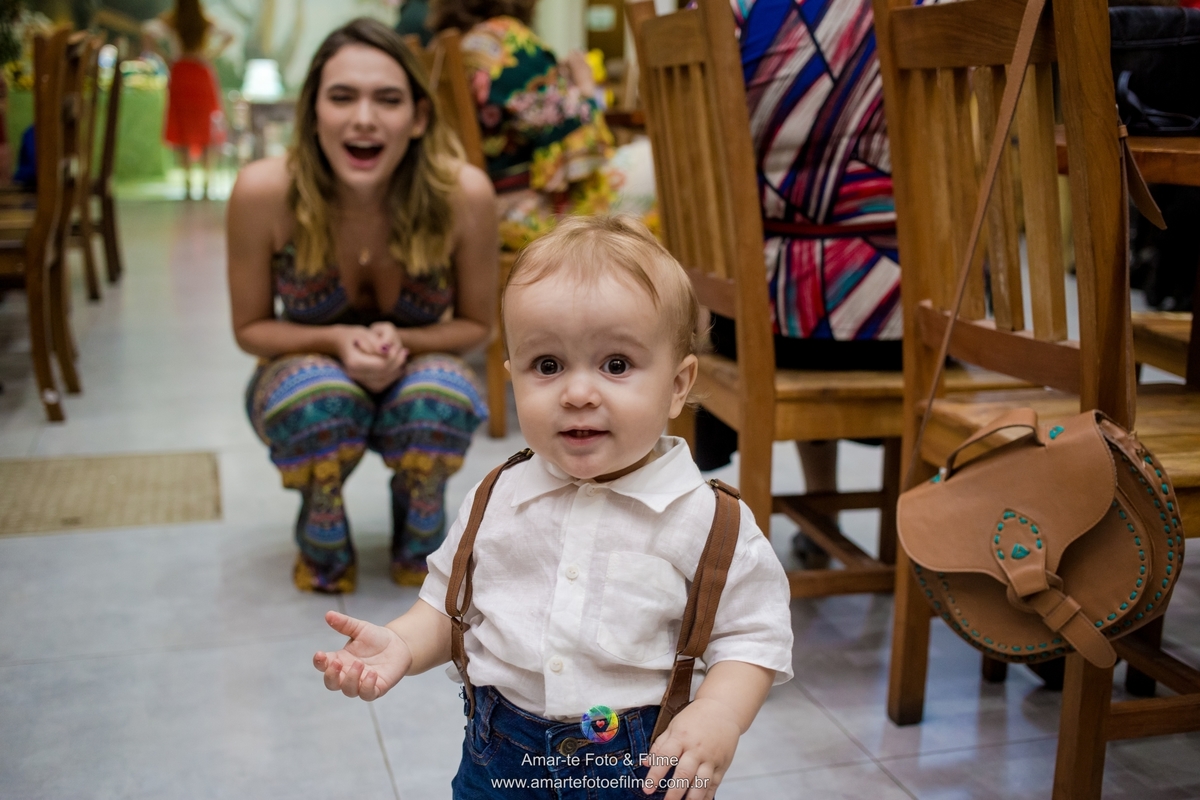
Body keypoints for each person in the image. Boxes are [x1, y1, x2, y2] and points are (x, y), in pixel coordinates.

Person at [311, 216, 794, 799]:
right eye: (548, 366)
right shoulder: (499, 495)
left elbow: (752, 637)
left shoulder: (707, 521)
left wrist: (719, 713)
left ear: (677, 385)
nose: (578, 392)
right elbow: (448, 606)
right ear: (513, 378)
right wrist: (404, 645)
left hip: (634, 767)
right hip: (499, 757)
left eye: (616, 365)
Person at [228, 19, 498, 593]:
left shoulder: (465, 195)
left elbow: (479, 325)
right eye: (342, 97)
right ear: (313, 113)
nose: (364, 118)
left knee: (444, 392)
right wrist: (333, 342)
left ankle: (421, 541)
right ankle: (323, 540)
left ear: (419, 117)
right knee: (315, 393)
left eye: (389, 99)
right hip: (306, 381)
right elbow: (249, 328)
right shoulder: (262, 192)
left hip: (419, 374)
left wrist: (406, 345)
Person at [696, 0, 902, 521]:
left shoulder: (729, 10)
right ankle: (910, 531)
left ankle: (819, 507)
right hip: (894, 315)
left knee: (807, 259)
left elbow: (704, 157)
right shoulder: (923, 8)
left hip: (755, 312)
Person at [428, 0, 640, 251]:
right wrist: (585, 87)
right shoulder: (506, 40)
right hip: (518, 211)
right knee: (652, 170)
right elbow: (568, 124)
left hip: (467, 203)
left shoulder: (447, 46)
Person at [144, 0, 232, 199]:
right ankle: (207, 183)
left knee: (184, 128)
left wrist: (166, 57)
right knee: (205, 129)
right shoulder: (205, 21)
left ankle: (188, 182)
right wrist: (210, 54)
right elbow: (229, 35)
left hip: (181, 73)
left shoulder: (171, 20)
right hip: (201, 72)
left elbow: (148, 34)